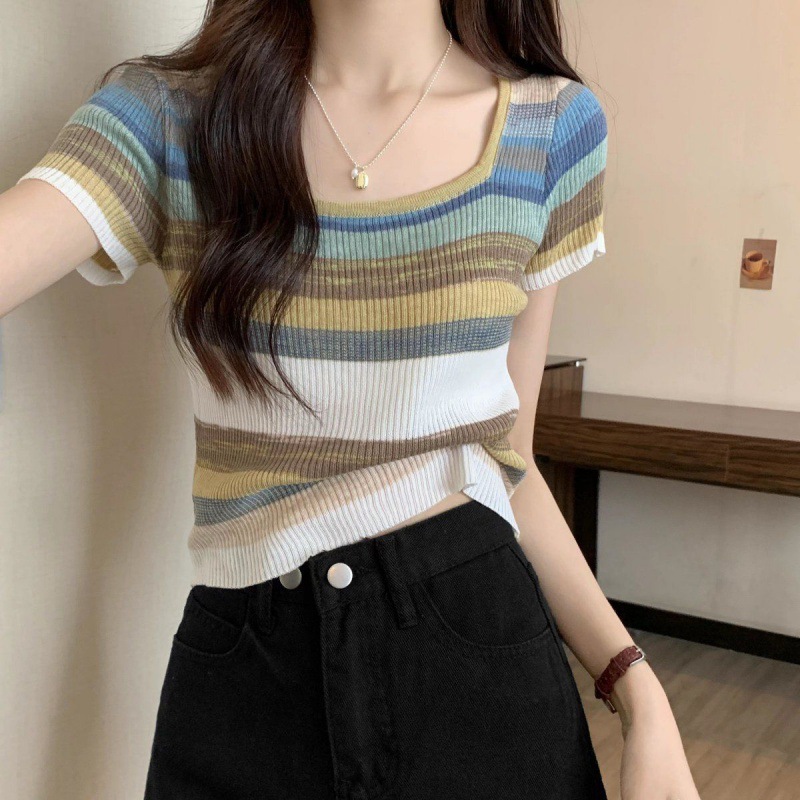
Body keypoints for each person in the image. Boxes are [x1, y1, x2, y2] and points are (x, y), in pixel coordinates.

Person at [1, 1, 702, 798]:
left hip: (479, 667)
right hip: (246, 682)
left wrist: (638, 690)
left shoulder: (550, 127)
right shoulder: (170, 118)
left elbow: (511, 464)